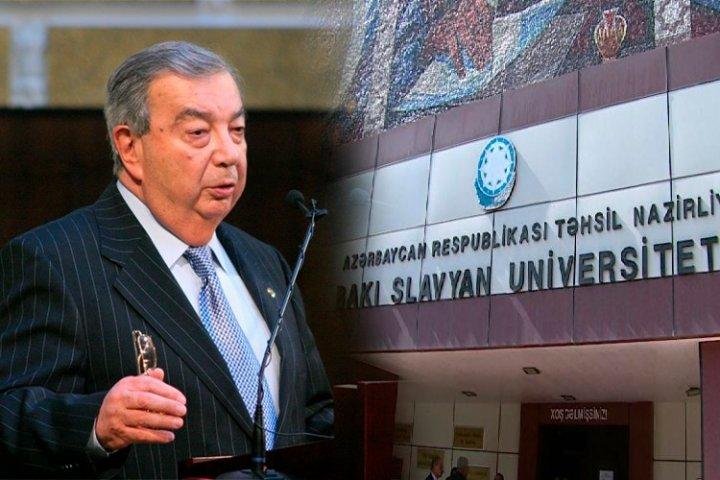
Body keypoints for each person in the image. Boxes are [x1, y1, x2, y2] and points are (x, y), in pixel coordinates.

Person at [0, 41, 333, 478]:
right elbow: (9, 413)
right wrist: (94, 425)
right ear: (130, 147)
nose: (229, 154)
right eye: (198, 133)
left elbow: (313, 412)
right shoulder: (55, 259)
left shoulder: (265, 261)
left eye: (237, 130)